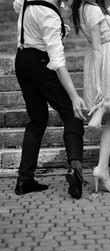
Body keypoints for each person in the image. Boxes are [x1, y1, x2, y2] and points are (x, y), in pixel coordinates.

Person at [13, 0, 86, 199]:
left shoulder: (27, 0)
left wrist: (59, 30)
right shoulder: (49, 14)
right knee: (71, 111)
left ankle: (24, 180)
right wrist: (74, 96)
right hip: (40, 63)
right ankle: (75, 170)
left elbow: (17, 6)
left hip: (22, 60)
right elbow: (57, 60)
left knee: (37, 120)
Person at [71, 0, 110, 194]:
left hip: (100, 56)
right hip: (107, 58)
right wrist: (99, 85)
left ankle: (102, 169)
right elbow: (98, 48)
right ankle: (105, 106)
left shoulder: (80, 8)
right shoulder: (93, 9)